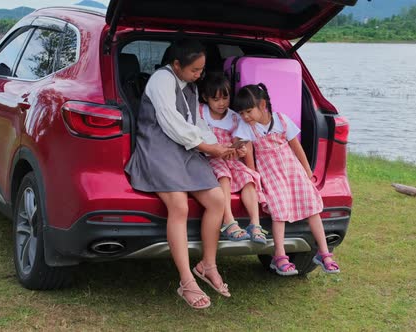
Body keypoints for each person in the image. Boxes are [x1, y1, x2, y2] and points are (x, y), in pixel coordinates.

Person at [124, 39, 233, 309]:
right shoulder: (162, 80)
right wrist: (206, 146)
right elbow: (171, 122)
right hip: (158, 147)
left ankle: (207, 265)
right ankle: (186, 281)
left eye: (201, 70)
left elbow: (195, 122)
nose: (199, 75)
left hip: (186, 148)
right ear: (176, 65)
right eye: (195, 70)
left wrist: (218, 147)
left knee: (218, 200)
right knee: (179, 206)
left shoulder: (192, 87)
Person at [232, 83, 341, 276]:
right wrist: (255, 178)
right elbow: (246, 154)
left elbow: (296, 147)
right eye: (241, 113)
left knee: (312, 206)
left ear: (263, 105)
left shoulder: (282, 120)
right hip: (271, 174)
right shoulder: (247, 127)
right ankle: (279, 256)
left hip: (292, 170)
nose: (245, 117)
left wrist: (307, 172)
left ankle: (324, 253)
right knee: (279, 210)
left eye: (248, 111)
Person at [198, 72, 268, 244]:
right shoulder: (200, 112)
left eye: (225, 97)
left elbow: (240, 142)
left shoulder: (235, 118)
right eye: (215, 99)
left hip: (230, 158)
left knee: (248, 178)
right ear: (206, 98)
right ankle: (229, 220)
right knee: (224, 175)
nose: (221, 103)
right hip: (210, 158)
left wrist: (241, 151)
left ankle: (255, 223)